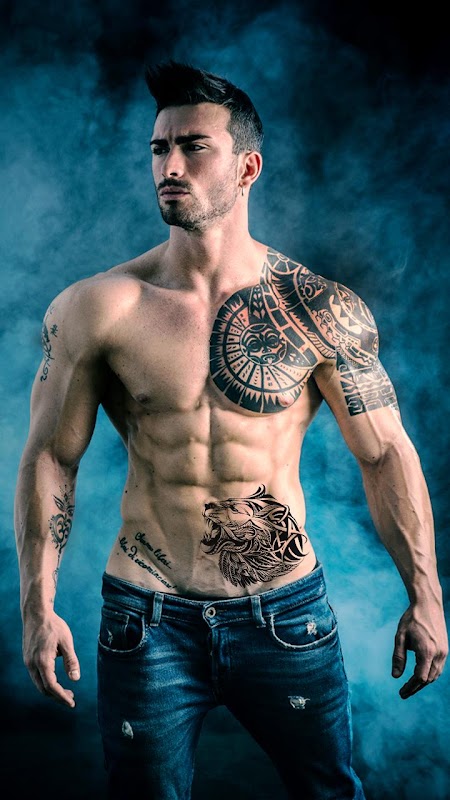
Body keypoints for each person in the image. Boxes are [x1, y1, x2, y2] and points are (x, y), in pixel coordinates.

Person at [14, 60, 447, 800]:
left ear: (247, 167)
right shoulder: (98, 307)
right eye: (159, 149)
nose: (170, 167)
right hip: (146, 615)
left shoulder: (318, 309)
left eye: (193, 147)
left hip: (286, 612)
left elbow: (384, 456)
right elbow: (51, 457)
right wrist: (38, 606)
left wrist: (427, 595)